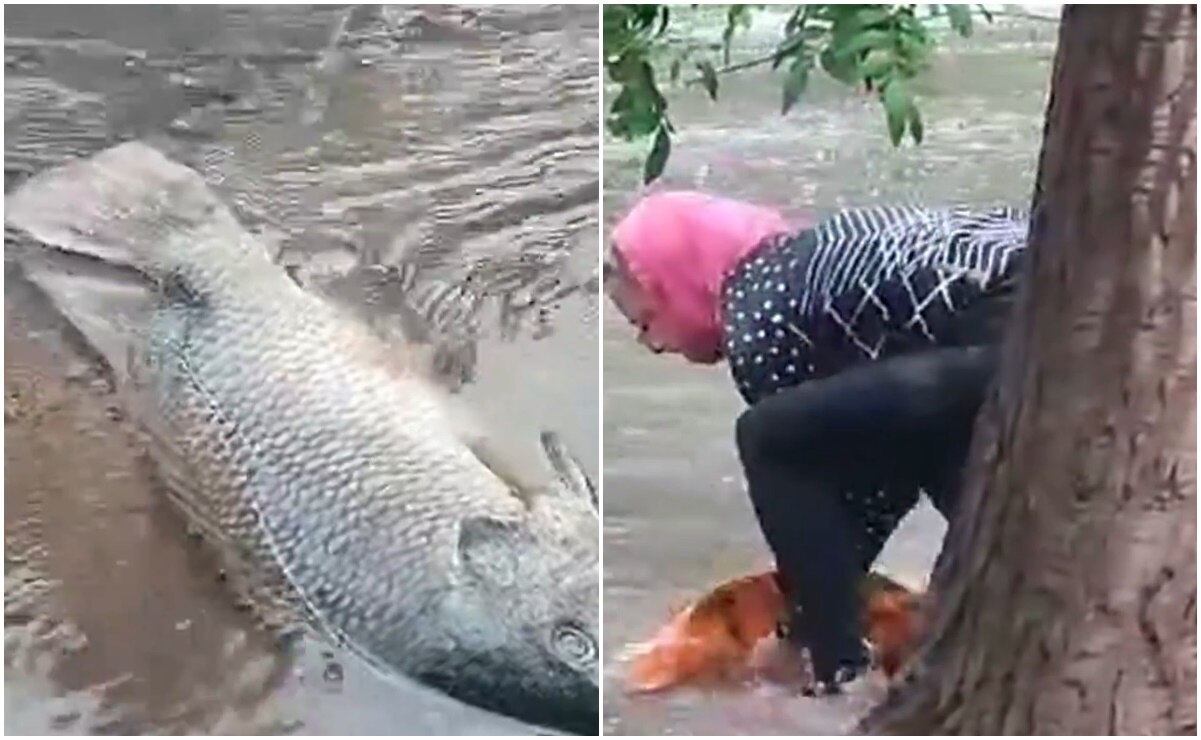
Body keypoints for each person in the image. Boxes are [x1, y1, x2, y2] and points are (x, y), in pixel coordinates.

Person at [606, 190, 1030, 694]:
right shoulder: (801, 270)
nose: (651, 344)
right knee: (926, 449)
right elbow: (888, 456)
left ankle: (837, 676)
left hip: (1015, 321)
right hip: (1062, 296)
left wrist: (805, 631)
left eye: (647, 320)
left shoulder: (757, 316)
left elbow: (847, 486)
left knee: (766, 436)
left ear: (679, 279)